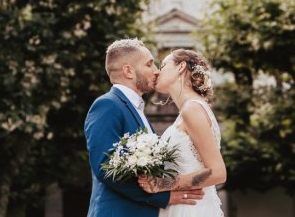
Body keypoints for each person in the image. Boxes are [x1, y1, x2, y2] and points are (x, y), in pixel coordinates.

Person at [84, 39, 204, 217]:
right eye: (149, 64)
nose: (156, 71)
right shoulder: (107, 105)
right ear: (128, 71)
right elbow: (106, 169)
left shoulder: (137, 110)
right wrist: (164, 197)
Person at [137, 49, 226, 217]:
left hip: (192, 209)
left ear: (181, 67)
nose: (157, 71)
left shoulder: (192, 109)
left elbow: (218, 172)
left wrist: (160, 184)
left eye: (163, 65)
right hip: (184, 205)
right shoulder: (190, 109)